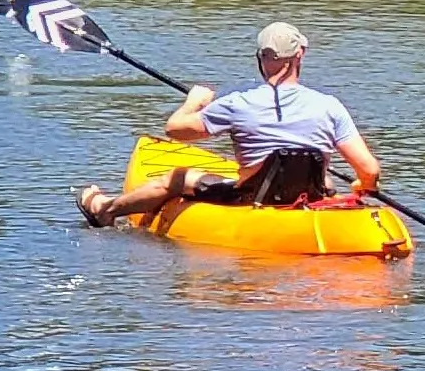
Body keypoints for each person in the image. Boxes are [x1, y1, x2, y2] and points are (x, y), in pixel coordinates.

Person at [73, 22, 384, 226]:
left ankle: (105, 210)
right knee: (327, 183)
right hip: (308, 199)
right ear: (300, 54)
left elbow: (175, 131)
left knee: (178, 178)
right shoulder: (330, 106)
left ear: (260, 58)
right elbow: (369, 170)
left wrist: (194, 101)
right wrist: (362, 186)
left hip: (251, 200)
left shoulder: (238, 104)